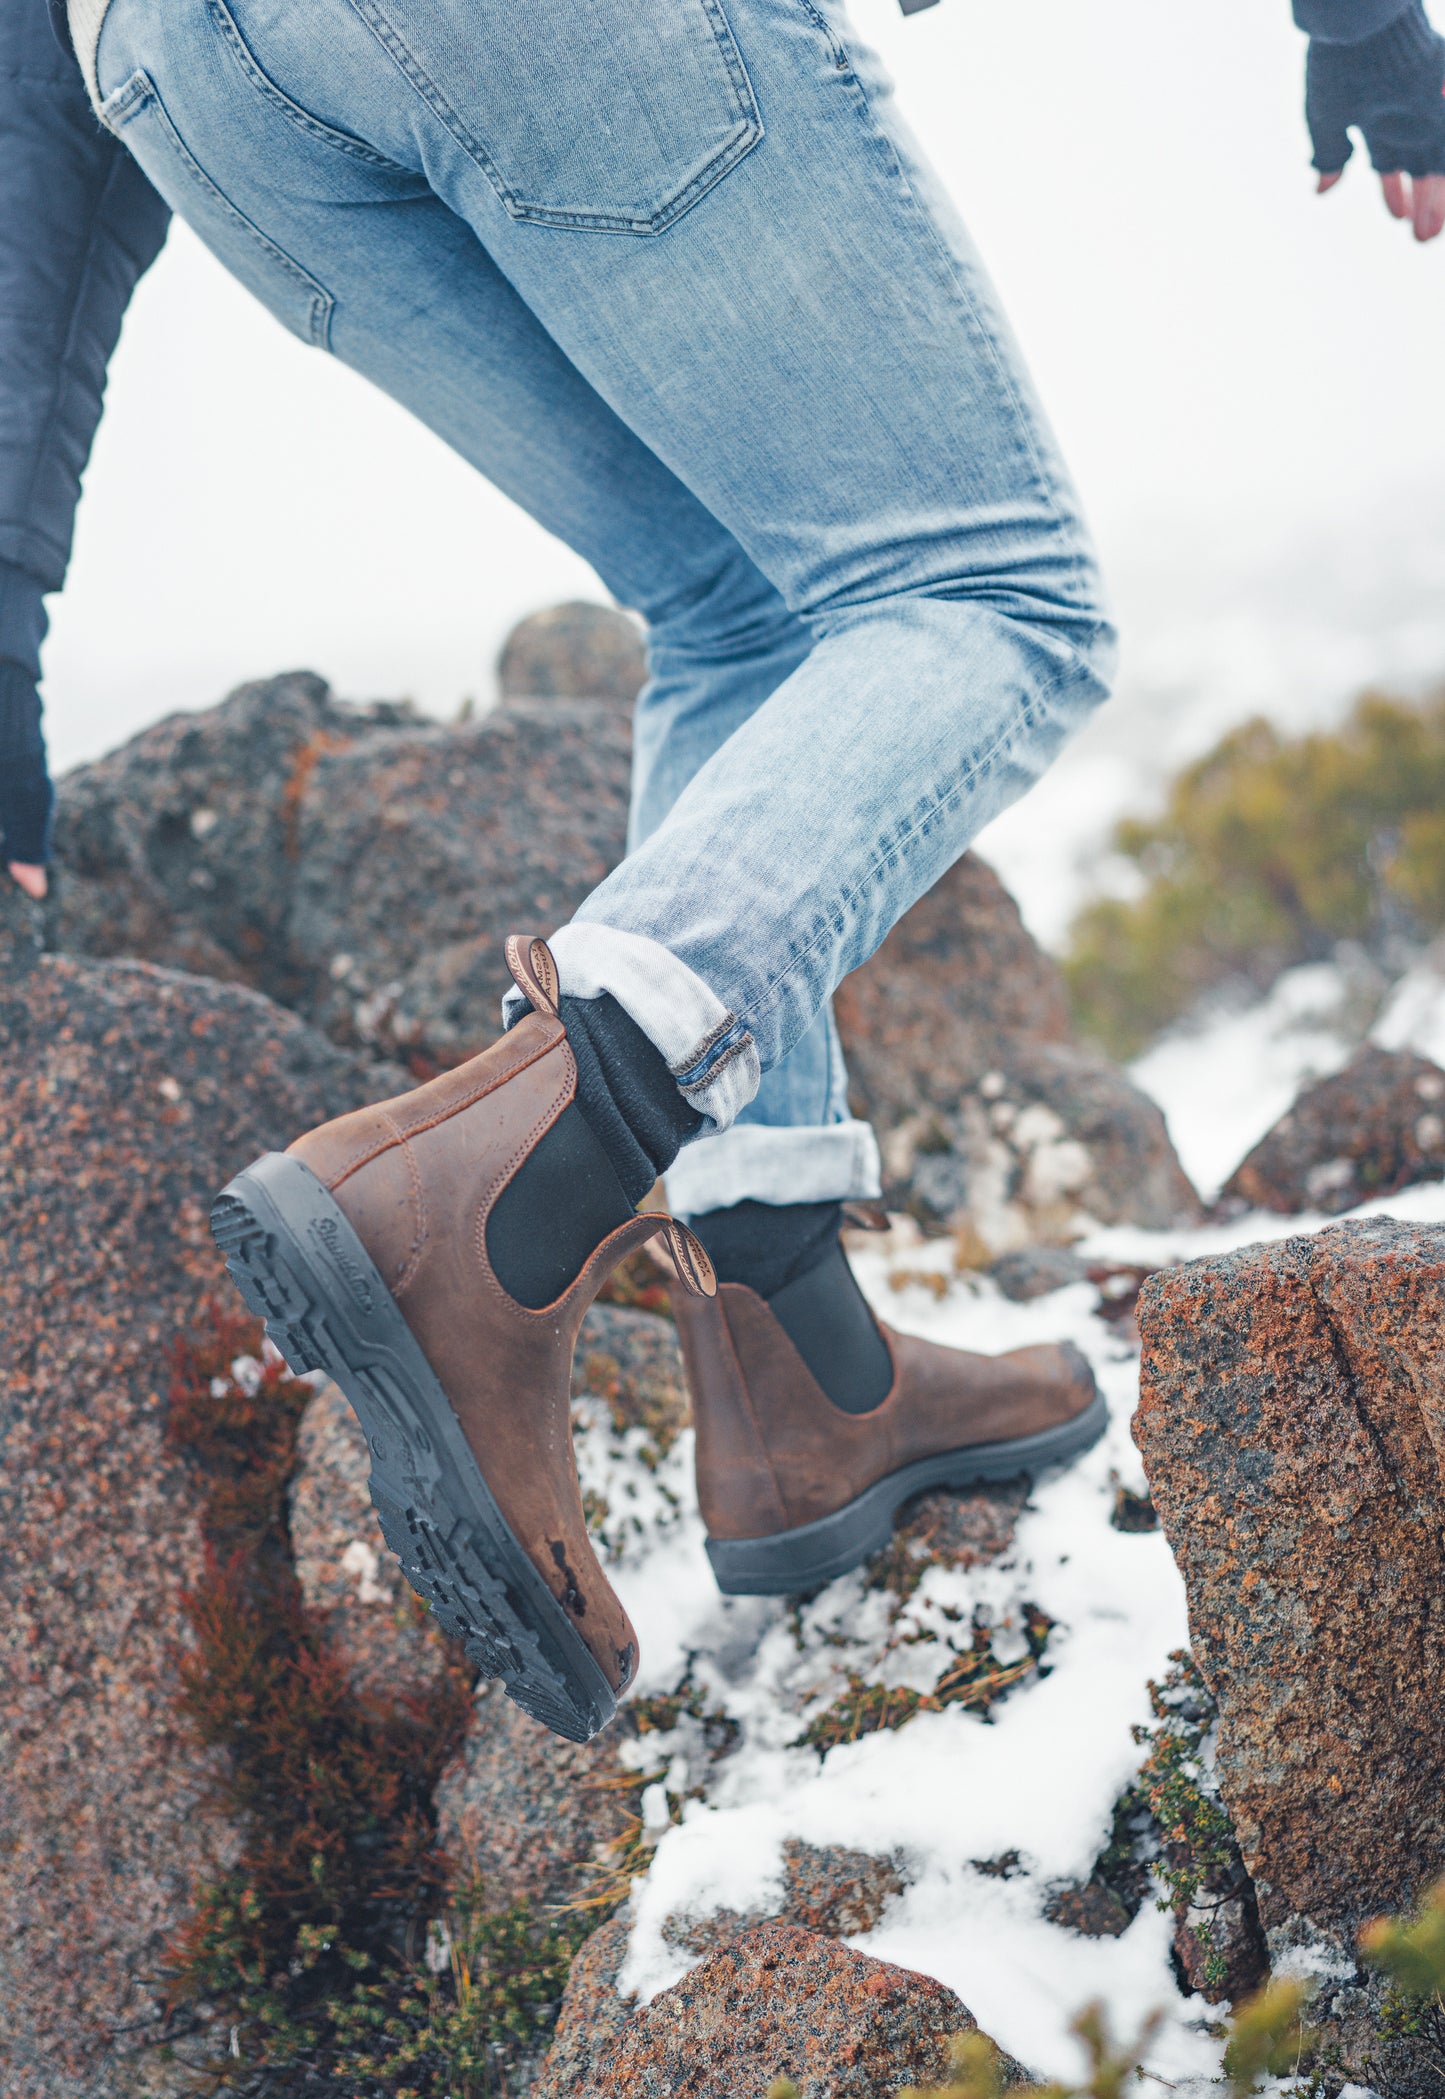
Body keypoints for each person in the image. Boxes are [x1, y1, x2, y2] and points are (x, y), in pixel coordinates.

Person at [7, 0, 1444, 1746]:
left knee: (737, 605)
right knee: (989, 594)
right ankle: (503, 1183)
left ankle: (792, 1364)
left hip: (192, 82)